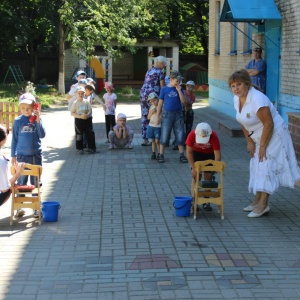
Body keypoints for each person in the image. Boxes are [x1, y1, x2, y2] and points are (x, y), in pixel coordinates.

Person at [228, 69, 300, 218]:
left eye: (239, 84)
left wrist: (262, 146)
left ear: (247, 84)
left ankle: (263, 205)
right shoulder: (237, 99)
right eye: (233, 86)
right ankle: (257, 201)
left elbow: (269, 124)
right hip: (259, 137)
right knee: (258, 167)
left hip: (275, 136)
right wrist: (249, 141)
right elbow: (242, 121)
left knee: (271, 167)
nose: (236, 89)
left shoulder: (257, 99)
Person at [11, 92, 46, 218]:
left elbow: (42, 135)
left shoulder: (37, 120)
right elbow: (14, 139)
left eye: (29, 108)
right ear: (20, 108)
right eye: (23, 108)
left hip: (36, 155)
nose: (26, 110)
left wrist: (37, 121)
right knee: (22, 182)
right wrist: (13, 156)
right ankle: (19, 207)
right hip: (21, 156)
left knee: (36, 181)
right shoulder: (18, 121)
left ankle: (37, 207)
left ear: (34, 107)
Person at [186, 122, 221, 211]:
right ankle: (195, 201)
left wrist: (215, 166)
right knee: (196, 176)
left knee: (208, 177)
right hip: (196, 154)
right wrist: (193, 168)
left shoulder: (214, 136)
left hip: (209, 155)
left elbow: (217, 154)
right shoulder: (191, 135)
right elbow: (189, 152)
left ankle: (206, 200)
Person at [155, 70, 188, 163]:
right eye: (176, 81)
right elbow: (160, 103)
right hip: (167, 115)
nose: (178, 83)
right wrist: (158, 116)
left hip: (178, 114)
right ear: (170, 79)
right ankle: (161, 154)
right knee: (165, 134)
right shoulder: (164, 89)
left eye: (179, 81)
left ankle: (182, 155)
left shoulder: (180, 89)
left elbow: (183, 102)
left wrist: (179, 91)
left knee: (180, 134)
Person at [140, 55, 167, 146]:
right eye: (164, 64)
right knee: (156, 115)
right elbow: (162, 86)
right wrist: (165, 97)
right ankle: (155, 138)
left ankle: (145, 139)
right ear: (160, 63)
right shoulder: (160, 72)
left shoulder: (149, 70)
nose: (164, 66)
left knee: (145, 116)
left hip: (144, 95)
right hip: (153, 97)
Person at [0, 125, 25, 209]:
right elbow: (5, 188)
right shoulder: (2, 161)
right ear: (3, 140)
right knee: (8, 190)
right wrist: (18, 173)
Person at [70, 86, 97, 154]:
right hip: (79, 121)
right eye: (79, 93)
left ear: (84, 94)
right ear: (76, 93)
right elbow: (72, 113)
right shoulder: (75, 103)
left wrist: (87, 115)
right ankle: (79, 148)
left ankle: (92, 148)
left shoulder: (86, 102)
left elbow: (90, 110)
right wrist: (79, 116)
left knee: (90, 133)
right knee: (79, 134)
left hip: (87, 120)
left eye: (82, 93)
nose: (80, 95)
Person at [173, 80, 196, 150]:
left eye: (191, 87)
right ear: (186, 87)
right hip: (181, 111)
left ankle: (187, 142)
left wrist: (186, 103)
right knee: (180, 128)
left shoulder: (192, 95)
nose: (189, 88)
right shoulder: (183, 93)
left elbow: (190, 104)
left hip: (189, 111)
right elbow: (181, 101)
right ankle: (178, 142)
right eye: (188, 86)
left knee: (188, 128)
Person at [146, 92, 161, 160]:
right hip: (151, 125)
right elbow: (148, 118)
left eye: (154, 100)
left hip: (158, 126)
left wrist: (159, 116)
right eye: (151, 101)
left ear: (157, 99)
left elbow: (163, 116)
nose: (153, 103)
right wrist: (151, 112)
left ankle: (160, 153)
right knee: (153, 140)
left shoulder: (160, 107)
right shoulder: (151, 107)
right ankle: (153, 152)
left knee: (157, 141)